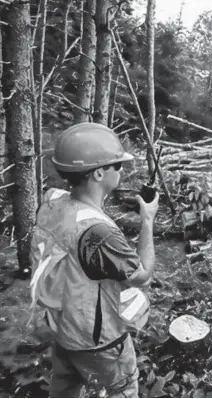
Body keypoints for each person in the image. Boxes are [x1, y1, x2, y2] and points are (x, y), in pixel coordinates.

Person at [29, 122, 159, 397]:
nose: (122, 171)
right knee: (121, 391)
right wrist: (147, 220)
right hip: (99, 343)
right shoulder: (98, 233)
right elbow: (144, 275)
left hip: (63, 329)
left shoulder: (52, 201)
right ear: (99, 173)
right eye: (118, 166)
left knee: (65, 389)